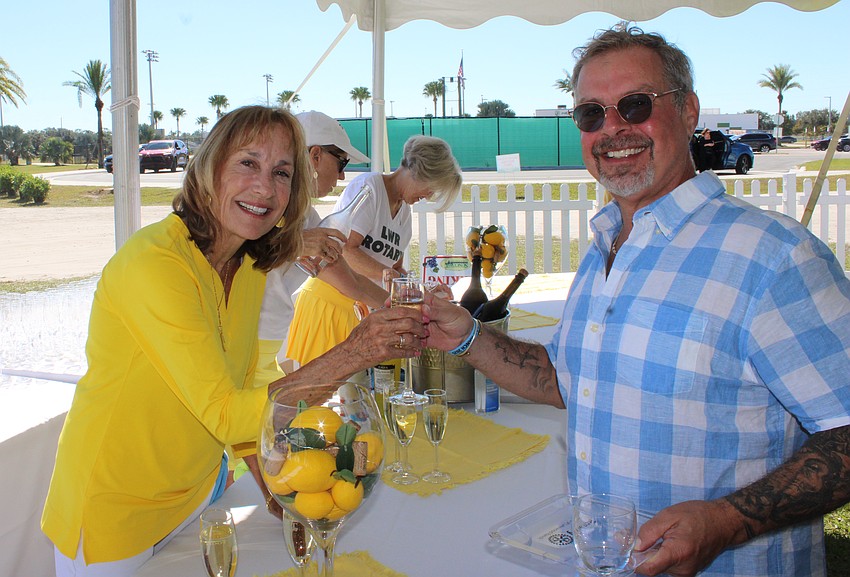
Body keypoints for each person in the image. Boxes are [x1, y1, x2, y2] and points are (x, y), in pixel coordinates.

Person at [424, 25, 850, 577]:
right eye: (591, 114)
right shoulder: (606, 245)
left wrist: (727, 521)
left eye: (635, 105)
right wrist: (466, 335)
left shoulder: (773, 257)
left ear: (688, 111)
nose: (612, 129)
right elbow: (566, 379)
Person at [41, 106, 428, 577]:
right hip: (115, 515)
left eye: (281, 173)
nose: (264, 187)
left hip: (198, 497)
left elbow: (248, 385)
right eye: (248, 163)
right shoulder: (156, 264)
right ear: (209, 169)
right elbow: (224, 413)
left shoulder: (245, 266)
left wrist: (272, 487)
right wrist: (356, 352)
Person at [286, 134, 462, 366]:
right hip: (331, 306)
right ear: (420, 173)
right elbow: (346, 250)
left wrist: (421, 290)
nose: (428, 196)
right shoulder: (370, 189)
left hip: (363, 307)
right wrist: (393, 280)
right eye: (432, 188)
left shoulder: (404, 213)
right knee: (323, 385)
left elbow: (394, 268)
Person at [256, 110, 386, 380]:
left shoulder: (307, 217)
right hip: (240, 345)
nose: (342, 177)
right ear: (315, 156)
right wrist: (293, 243)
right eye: (341, 163)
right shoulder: (259, 202)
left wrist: (406, 308)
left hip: (266, 346)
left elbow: (352, 282)